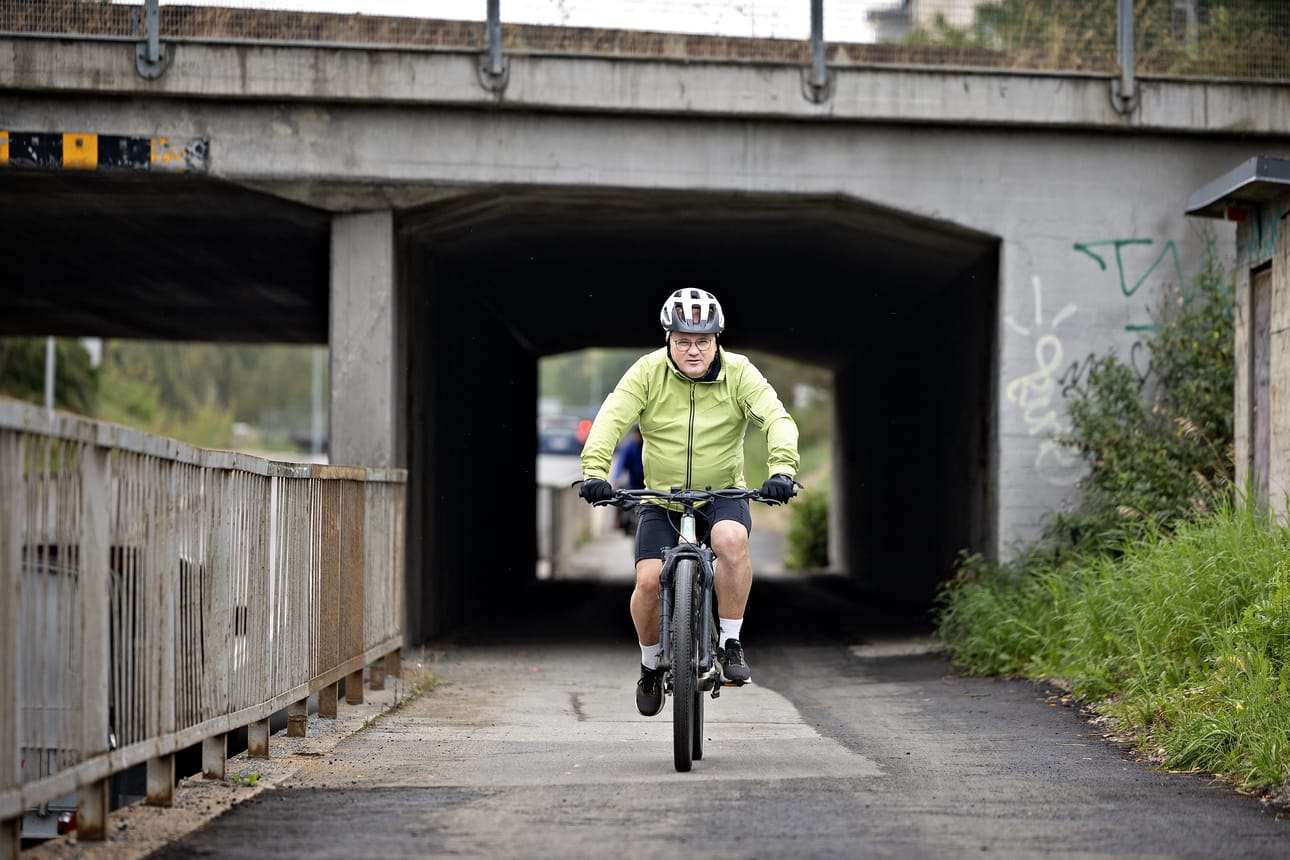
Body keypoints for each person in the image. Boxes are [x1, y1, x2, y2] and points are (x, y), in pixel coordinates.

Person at [578, 288, 799, 717]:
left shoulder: (739, 373)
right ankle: (649, 665)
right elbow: (611, 419)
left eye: (702, 340)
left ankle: (730, 642)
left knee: (731, 540)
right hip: (661, 497)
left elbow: (776, 417)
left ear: (717, 339)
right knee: (647, 582)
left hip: (723, 494)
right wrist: (595, 473)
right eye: (683, 341)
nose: (693, 350)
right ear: (668, 341)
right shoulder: (646, 373)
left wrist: (783, 470)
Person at [609, 424, 644, 534]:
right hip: (633, 481)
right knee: (620, 495)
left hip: (648, 482)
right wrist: (616, 479)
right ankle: (618, 521)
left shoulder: (649, 446)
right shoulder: (629, 446)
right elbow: (620, 463)